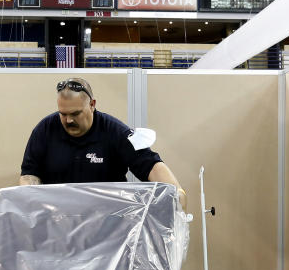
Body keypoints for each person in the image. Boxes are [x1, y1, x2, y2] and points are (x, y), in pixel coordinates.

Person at [19, 77, 186, 206]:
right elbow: (29, 174)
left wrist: (176, 192)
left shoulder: (115, 131)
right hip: (59, 225)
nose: (68, 120)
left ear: (92, 104)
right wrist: (29, 201)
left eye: (75, 113)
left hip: (108, 227)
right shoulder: (45, 130)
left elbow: (150, 164)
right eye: (63, 113)